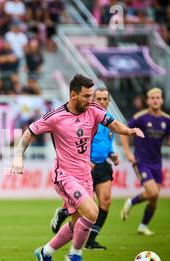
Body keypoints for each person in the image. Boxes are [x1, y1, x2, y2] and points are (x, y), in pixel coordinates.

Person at [10, 74, 144, 261]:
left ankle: (45, 252)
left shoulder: (94, 110)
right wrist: (18, 158)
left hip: (85, 175)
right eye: (87, 96)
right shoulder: (55, 117)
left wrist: (129, 131)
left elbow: (113, 124)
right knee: (92, 212)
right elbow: (29, 133)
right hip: (64, 175)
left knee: (78, 222)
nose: (91, 100)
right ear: (73, 95)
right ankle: (75, 254)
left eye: (92, 95)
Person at [50, 88, 119, 250]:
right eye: (98, 99)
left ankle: (91, 240)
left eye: (105, 99)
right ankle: (64, 212)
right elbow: (77, 143)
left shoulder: (109, 121)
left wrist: (112, 153)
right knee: (84, 210)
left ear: (109, 101)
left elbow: (106, 143)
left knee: (106, 202)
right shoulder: (89, 117)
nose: (102, 102)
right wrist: (86, 160)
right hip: (82, 167)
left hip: (102, 165)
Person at [119, 88, 170, 235]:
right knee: (152, 192)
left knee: (154, 197)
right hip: (142, 160)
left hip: (157, 162)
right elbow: (124, 131)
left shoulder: (167, 120)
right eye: (152, 98)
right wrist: (127, 152)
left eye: (158, 97)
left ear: (162, 100)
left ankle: (143, 226)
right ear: (148, 101)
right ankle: (131, 202)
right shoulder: (141, 117)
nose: (155, 100)